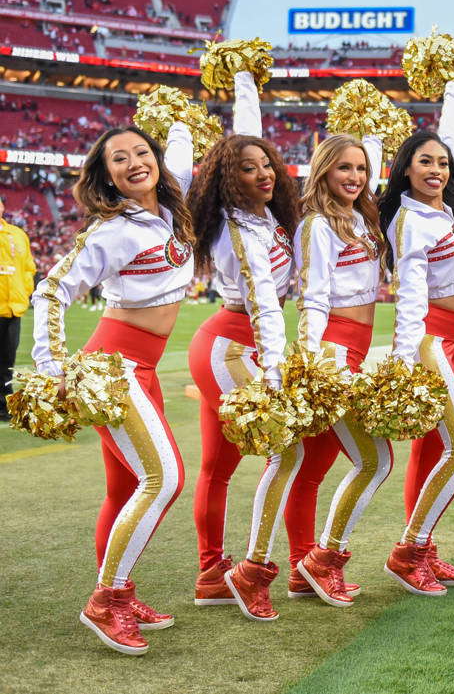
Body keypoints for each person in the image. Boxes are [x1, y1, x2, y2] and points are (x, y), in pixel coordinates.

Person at [31, 123, 194, 655]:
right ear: (105, 175)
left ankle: (120, 593)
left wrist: (183, 117)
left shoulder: (167, 212)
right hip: (113, 367)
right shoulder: (115, 230)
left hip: (141, 367)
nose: (133, 163)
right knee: (164, 478)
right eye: (117, 159)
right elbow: (52, 289)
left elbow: (184, 152)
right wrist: (53, 367)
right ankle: (107, 599)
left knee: (125, 490)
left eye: (141, 152)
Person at [187, 71, 302, 622]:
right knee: (287, 450)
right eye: (247, 169)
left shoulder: (265, 216)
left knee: (218, 464)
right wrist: (277, 376)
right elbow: (264, 306)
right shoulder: (236, 228)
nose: (262, 174)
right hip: (233, 347)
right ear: (225, 180)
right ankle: (247, 573)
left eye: (267, 166)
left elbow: (246, 136)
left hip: (236, 344)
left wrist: (244, 83)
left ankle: (210, 575)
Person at [379, 81, 454, 596]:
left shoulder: (444, 210)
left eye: (443, 163)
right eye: (425, 162)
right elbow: (409, 299)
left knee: (431, 448)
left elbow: (452, 137)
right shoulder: (410, 220)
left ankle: (424, 550)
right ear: (406, 168)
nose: (437, 170)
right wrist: (406, 362)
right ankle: (409, 550)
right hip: (431, 340)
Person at [282, 132, 392, 607]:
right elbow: (313, 298)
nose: (355, 177)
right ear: (323, 169)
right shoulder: (316, 226)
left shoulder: (361, 219)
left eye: (362, 169)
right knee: (375, 460)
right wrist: (312, 366)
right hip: (331, 354)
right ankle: (323, 559)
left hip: (354, 349)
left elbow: (379, 164)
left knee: (313, 465)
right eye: (344, 167)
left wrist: (374, 136)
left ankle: (300, 570)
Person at [0, 195, 35, 419]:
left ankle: (3, 405)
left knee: (7, 361)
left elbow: (28, 268)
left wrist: (25, 292)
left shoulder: (17, 234)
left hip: (14, 308)